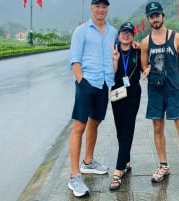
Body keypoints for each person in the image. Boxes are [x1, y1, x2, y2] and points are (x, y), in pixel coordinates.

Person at [140, 1, 179, 188]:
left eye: (157, 15)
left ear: (163, 16)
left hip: (174, 90)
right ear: (148, 19)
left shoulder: (176, 37)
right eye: (151, 17)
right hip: (156, 91)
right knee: (157, 128)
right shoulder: (145, 42)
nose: (155, 19)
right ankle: (163, 165)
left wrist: (173, 76)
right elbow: (144, 66)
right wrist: (151, 70)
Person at [67, 0, 117, 197]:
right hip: (87, 83)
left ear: (107, 9)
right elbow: (74, 59)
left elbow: (120, 49)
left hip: (104, 84)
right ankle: (74, 176)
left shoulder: (112, 32)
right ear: (91, 8)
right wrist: (81, 81)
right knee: (79, 127)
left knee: (95, 123)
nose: (101, 9)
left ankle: (88, 161)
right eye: (97, 6)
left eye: (104, 6)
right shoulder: (82, 31)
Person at [109, 22, 142, 191]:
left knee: (128, 129)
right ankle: (126, 162)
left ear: (133, 35)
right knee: (120, 130)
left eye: (129, 32)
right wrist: (115, 60)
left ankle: (118, 171)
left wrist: (149, 68)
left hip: (133, 95)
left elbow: (146, 66)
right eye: (124, 32)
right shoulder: (114, 50)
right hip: (116, 94)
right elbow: (112, 73)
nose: (126, 35)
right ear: (119, 34)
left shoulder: (138, 50)